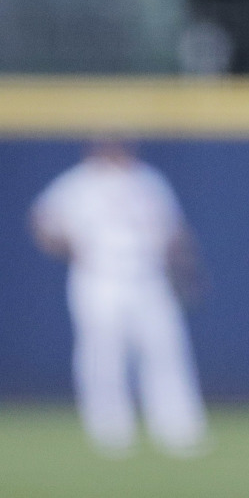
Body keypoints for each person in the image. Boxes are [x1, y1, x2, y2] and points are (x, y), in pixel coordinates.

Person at [30, 139, 209, 457]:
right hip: (100, 278)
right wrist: (72, 250)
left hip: (148, 276)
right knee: (103, 355)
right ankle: (110, 431)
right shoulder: (78, 183)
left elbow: (173, 231)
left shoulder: (148, 180)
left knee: (165, 351)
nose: (116, 152)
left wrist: (184, 271)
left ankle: (178, 429)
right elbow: (42, 222)